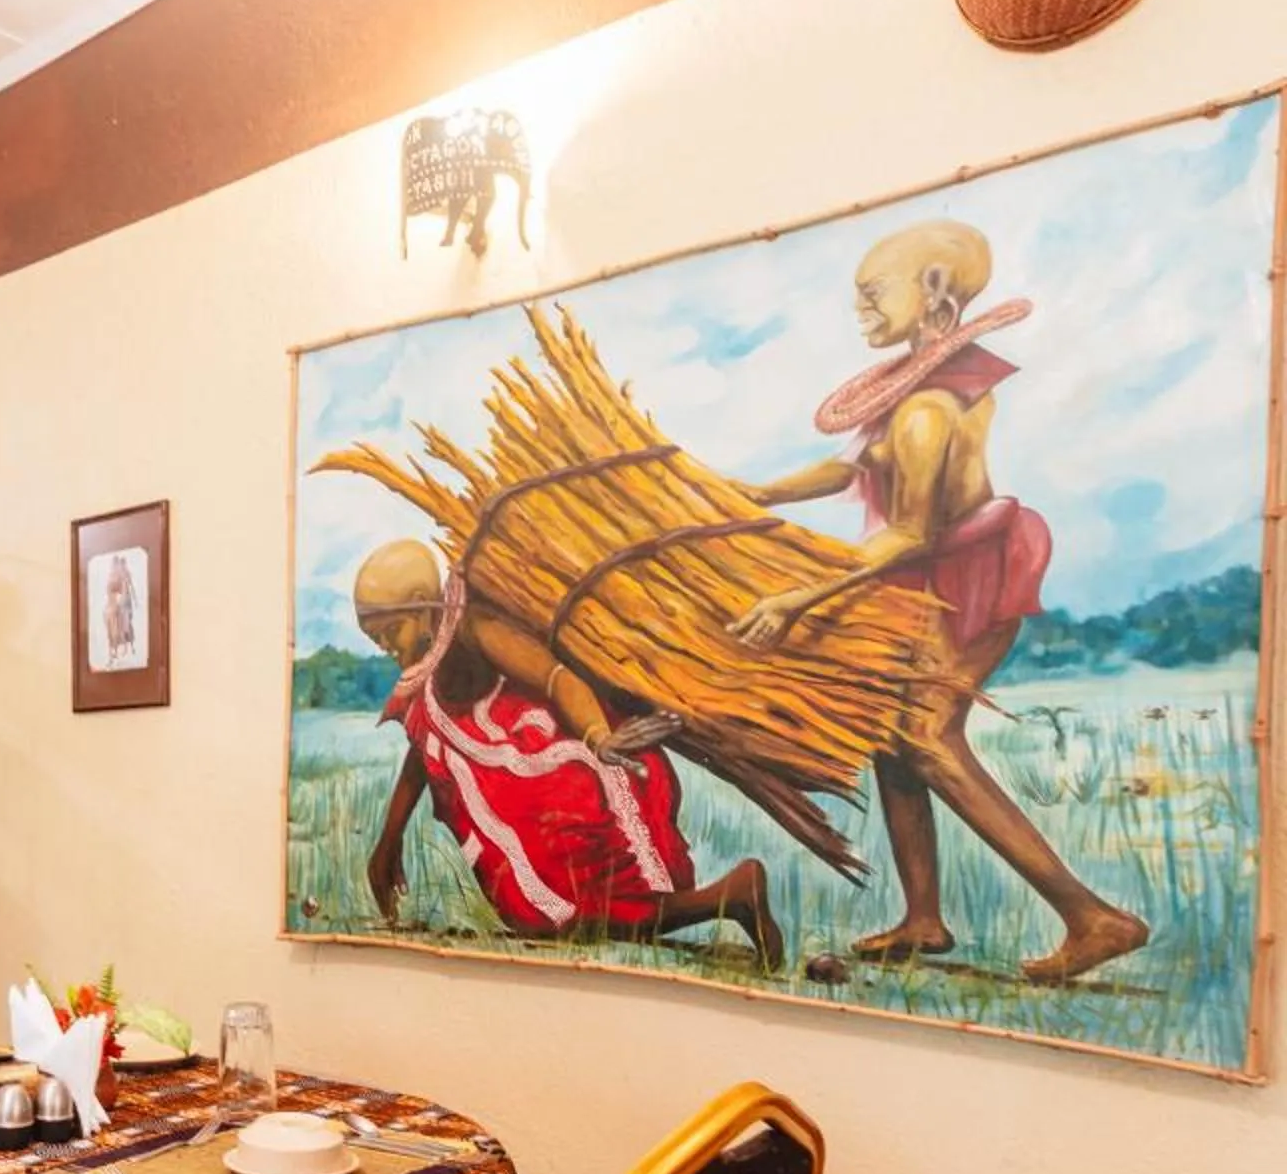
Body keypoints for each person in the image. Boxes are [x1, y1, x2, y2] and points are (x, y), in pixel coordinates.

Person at [728, 217, 1148, 985]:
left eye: (871, 293)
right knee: (894, 739)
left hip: (963, 584)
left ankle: (1094, 917)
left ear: (930, 295)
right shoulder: (913, 386)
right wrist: (756, 491)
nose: (860, 308)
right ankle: (925, 916)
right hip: (932, 582)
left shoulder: (928, 409)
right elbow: (850, 469)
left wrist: (798, 597)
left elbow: (912, 531)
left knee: (925, 737)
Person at [353, 538, 781, 964]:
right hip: (519, 806)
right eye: (375, 639)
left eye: (390, 631)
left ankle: (732, 893)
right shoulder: (422, 671)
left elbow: (555, 676)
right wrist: (389, 839)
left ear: (420, 603)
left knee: (573, 908)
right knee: (537, 913)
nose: (385, 646)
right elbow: (424, 748)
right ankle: (728, 897)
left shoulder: (474, 628)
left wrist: (598, 736)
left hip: (560, 777)